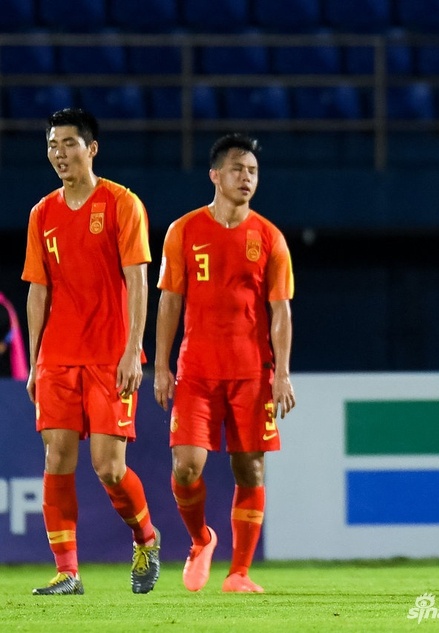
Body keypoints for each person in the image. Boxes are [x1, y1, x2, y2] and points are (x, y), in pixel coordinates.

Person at [22, 108, 160, 596]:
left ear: (92, 148)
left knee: (109, 467)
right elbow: (38, 290)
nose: (59, 153)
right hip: (58, 355)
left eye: (69, 144)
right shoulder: (43, 213)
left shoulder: (123, 203)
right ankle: (68, 571)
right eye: (52, 145)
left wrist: (132, 349)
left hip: (109, 355)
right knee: (56, 457)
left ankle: (146, 537)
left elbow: (138, 280)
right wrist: (37, 359)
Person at [154, 133, 295, 594]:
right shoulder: (184, 231)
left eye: (252, 171)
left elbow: (280, 311)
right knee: (186, 467)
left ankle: (238, 573)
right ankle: (200, 540)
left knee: (249, 469)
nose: (246, 178)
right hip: (196, 370)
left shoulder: (269, 237)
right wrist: (161, 364)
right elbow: (170, 301)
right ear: (215, 175)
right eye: (237, 169)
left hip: (252, 374)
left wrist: (282, 373)